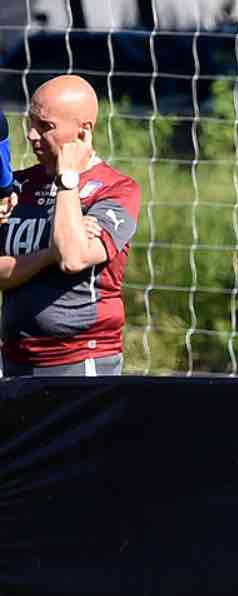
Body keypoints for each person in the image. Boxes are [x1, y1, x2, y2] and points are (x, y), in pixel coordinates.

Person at [0, 75, 140, 377]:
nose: (31, 135)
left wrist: (67, 179)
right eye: (30, 122)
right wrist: (47, 255)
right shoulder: (19, 186)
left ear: (83, 131)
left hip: (81, 363)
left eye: (45, 126)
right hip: (14, 360)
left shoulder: (117, 190)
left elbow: (73, 257)